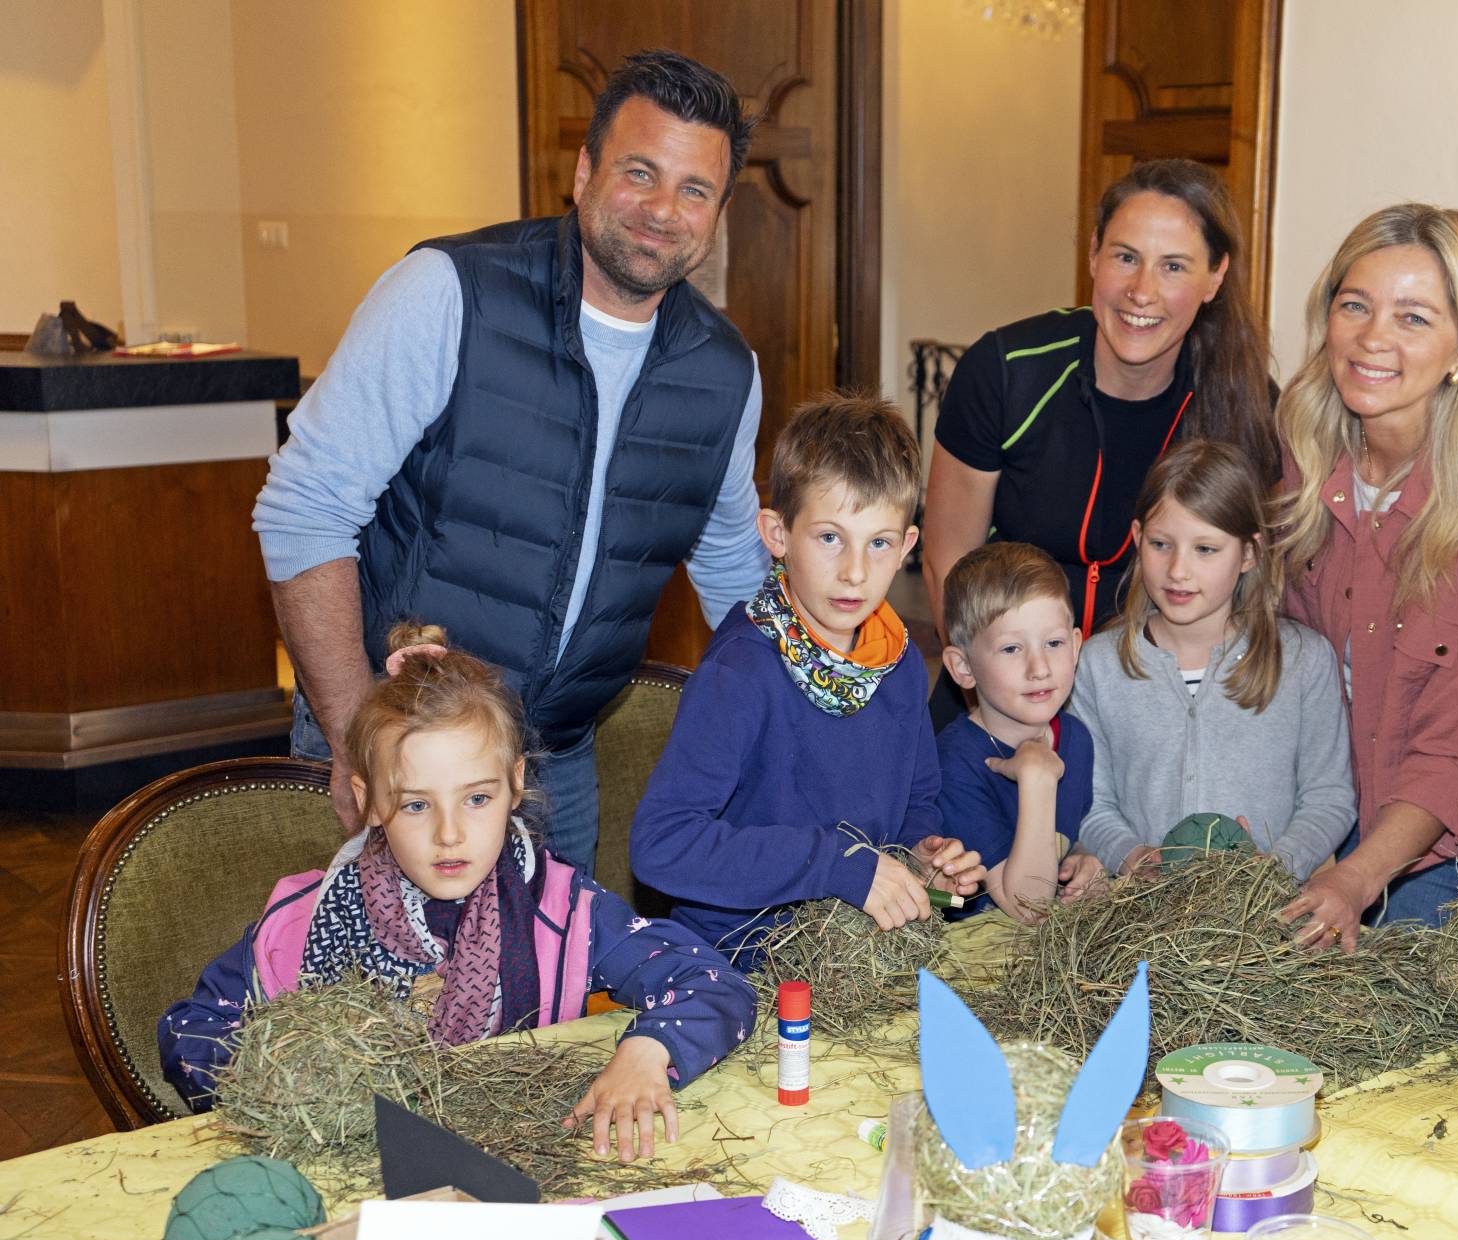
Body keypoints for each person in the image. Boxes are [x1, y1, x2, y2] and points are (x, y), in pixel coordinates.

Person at [253, 50, 769, 870]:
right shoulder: (447, 293)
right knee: (378, 959)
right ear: (584, 171)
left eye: (694, 189)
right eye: (640, 172)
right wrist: (360, 740)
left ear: (718, 211)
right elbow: (304, 511)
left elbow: (737, 570)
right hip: (400, 745)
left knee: (551, 958)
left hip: (554, 762)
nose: (663, 210)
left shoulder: (725, 373)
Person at [158, 625, 756, 1162]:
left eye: (476, 798)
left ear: (515, 785)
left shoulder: (565, 911)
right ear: (368, 801)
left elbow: (713, 983)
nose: (450, 834)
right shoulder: (303, 921)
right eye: (416, 805)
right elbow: (192, 1031)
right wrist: (293, 1076)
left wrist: (648, 1051)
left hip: (521, 1168)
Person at [1273, 204, 1458, 943]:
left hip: (1452, 858)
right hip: (1322, 821)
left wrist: (1357, 878)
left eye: (1413, 318)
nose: (1373, 337)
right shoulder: (1304, 448)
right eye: (1355, 305)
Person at [919, 158, 1279, 729]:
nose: (1142, 291)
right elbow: (948, 566)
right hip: (997, 697)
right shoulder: (1005, 371)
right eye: (1126, 257)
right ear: (1093, 254)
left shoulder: (1246, 404)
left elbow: (1257, 591)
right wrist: (1012, 714)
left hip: (1146, 711)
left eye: (1173, 266)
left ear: (1215, 277)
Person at [629, 394, 985, 964]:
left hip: (855, 959)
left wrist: (921, 858)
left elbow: (917, 800)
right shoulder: (739, 674)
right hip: (741, 960)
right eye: (829, 538)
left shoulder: (897, 664)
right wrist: (835, 864)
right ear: (777, 534)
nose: (854, 572)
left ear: (906, 548)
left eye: (878, 543)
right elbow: (662, 844)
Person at [1073, 441, 1355, 880]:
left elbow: (1330, 798)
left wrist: (1274, 869)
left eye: (1205, 549)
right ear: (1137, 538)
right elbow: (1090, 802)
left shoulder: (1304, 660)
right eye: (1161, 544)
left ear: (1249, 553)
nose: (1178, 570)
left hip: (1267, 911)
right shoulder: (1098, 665)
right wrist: (1131, 856)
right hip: (1140, 910)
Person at [935, 542, 1106, 923]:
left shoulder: (1076, 738)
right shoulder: (953, 765)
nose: (1039, 668)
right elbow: (1028, 907)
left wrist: (1082, 859)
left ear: (1076, 647)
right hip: (975, 948)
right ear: (963, 667)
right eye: (1012, 648)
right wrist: (1037, 778)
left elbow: (1060, 837)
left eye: (1054, 643)